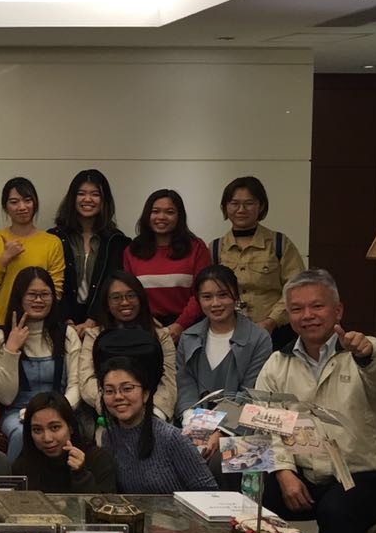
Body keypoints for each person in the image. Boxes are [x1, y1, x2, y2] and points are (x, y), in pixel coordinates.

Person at [254, 269, 376, 533]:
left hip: (367, 475)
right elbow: (265, 424)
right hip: (306, 473)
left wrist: (367, 357)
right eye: (297, 309)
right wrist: (284, 472)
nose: (307, 316)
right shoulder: (277, 362)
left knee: (336, 510)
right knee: (253, 494)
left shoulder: (366, 350)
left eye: (317, 306)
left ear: (338, 310)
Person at [0, 267, 81, 445]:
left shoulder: (68, 335)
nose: (39, 300)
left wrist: (56, 412)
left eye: (45, 294)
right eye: (32, 295)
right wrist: (11, 350)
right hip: (17, 414)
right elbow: (5, 397)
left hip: (61, 410)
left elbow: (75, 385)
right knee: (21, 434)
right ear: (19, 297)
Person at [211, 177, 306, 348]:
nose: (241, 209)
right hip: (228, 333)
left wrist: (271, 321)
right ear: (225, 207)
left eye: (249, 203)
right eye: (234, 203)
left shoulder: (279, 243)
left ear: (261, 206)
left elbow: (297, 288)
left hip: (276, 333)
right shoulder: (215, 248)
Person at [97, 359, 216, 494]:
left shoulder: (171, 438)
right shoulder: (108, 437)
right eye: (109, 391)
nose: (118, 396)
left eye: (127, 389)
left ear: (146, 394)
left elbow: (209, 492)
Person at [77, 270, 177, 422]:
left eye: (131, 296)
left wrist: (152, 414)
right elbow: (86, 380)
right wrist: (114, 406)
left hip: (153, 417)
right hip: (109, 416)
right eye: (116, 297)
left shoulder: (161, 335)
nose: (124, 302)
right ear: (107, 303)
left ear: (140, 298)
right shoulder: (93, 336)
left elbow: (169, 381)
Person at [175, 265, 273, 418]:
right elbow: (185, 384)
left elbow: (251, 391)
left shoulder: (259, 339)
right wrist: (189, 417)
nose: (215, 303)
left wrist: (221, 425)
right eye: (207, 297)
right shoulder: (188, 337)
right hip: (193, 422)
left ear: (236, 296)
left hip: (240, 423)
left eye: (223, 295)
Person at [0, 177, 66, 332]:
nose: (22, 207)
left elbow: (55, 291)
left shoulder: (52, 242)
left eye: (27, 200)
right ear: (5, 207)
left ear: (35, 203)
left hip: (38, 325)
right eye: (14, 202)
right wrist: (3, 260)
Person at [122, 189, 210, 342]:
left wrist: (180, 325)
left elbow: (202, 292)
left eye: (169, 212)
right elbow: (129, 294)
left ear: (179, 217)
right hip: (145, 329)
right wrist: (147, 322)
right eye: (155, 211)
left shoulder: (197, 247)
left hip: (190, 330)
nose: (161, 217)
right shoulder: (132, 250)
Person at [49, 169, 128, 333]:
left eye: (95, 194)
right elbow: (51, 282)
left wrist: (93, 320)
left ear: (104, 200)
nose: (87, 199)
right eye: (81, 193)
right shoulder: (55, 237)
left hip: (103, 323)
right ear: (72, 198)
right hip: (60, 322)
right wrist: (66, 320)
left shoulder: (116, 241)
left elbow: (114, 284)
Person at [7, 392, 116, 494]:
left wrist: (81, 475)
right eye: (37, 430)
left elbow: (105, 505)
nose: (47, 438)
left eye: (55, 427)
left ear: (70, 427)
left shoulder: (97, 460)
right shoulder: (22, 466)